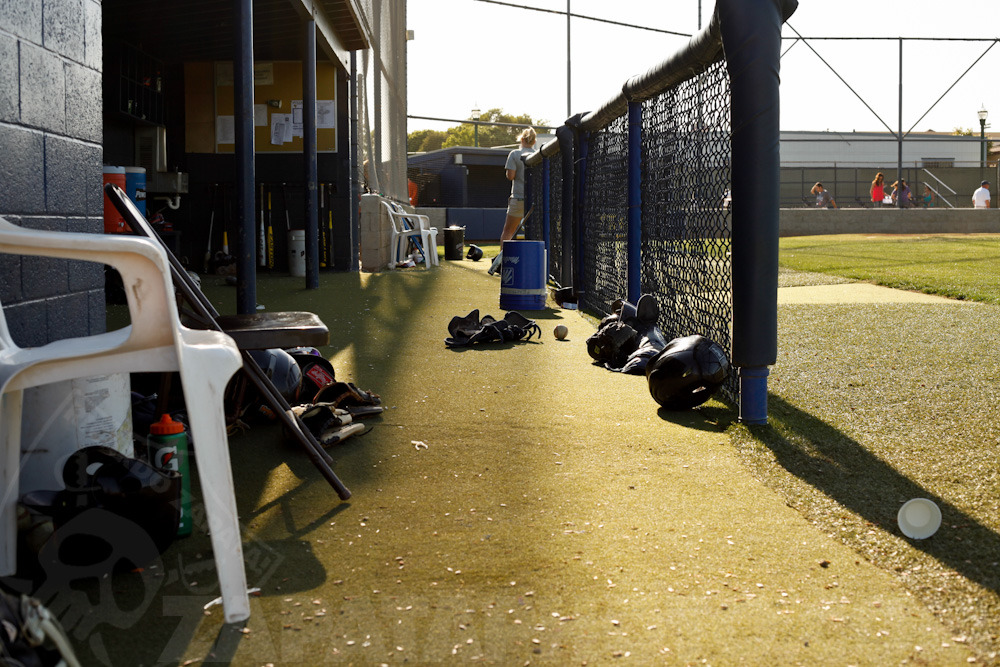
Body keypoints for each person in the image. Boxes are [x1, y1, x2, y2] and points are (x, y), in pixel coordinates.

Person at [489, 127, 537, 275]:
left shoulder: (514, 154)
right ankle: (534, 263)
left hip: (518, 198)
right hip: (534, 201)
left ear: (521, 140)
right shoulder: (538, 155)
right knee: (535, 233)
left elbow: (510, 176)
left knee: (508, 231)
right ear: (534, 141)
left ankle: (502, 264)